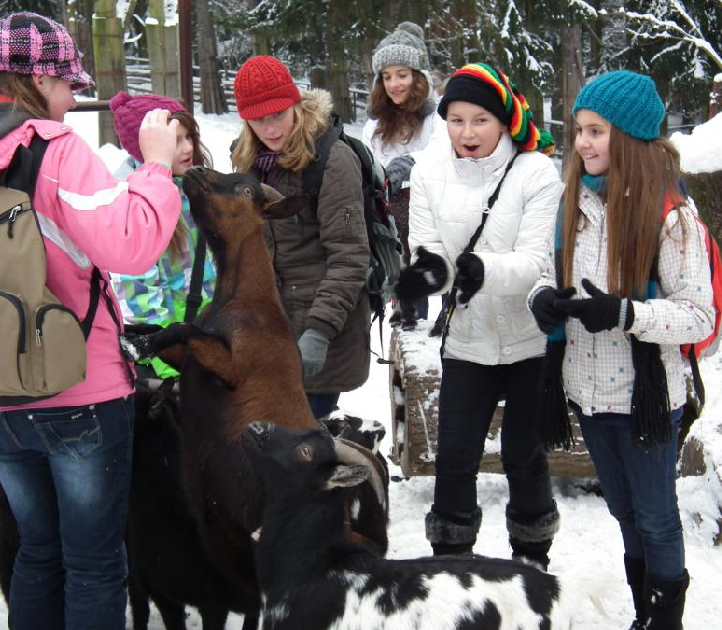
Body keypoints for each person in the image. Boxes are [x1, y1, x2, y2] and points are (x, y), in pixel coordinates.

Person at [0, 12, 181, 630]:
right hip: (78, 390)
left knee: (38, 550)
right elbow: (130, 244)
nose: (73, 98)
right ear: (38, 79)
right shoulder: (55, 149)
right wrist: (156, 167)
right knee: (94, 563)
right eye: (67, 83)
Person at [529, 70, 712, 630]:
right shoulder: (574, 202)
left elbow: (699, 314)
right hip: (586, 392)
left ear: (629, 137)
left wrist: (628, 314)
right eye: (580, 130)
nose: (582, 143)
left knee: (656, 519)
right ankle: (643, 614)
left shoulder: (672, 217)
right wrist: (543, 298)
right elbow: (548, 271)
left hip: (646, 398)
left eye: (596, 131)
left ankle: (665, 622)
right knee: (625, 512)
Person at [396, 62, 562, 569]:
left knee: (523, 455)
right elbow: (427, 247)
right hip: (467, 338)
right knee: (454, 457)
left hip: (530, 340)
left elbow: (535, 260)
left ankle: (531, 561)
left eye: (480, 120)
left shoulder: (536, 172)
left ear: (504, 120)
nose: (467, 132)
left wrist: (479, 269)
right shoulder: (428, 171)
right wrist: (425, 275)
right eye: (456, 120)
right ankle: (451, 563)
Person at [230, 55, 371, 420]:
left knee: (301, 438)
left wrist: (319, 332)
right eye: (257, 120)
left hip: (320, 330)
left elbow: (350, 255)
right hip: (269, 331)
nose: (270, 129)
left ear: (294, 103)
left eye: (278, 114)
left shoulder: (332, 160)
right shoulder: (247, 160)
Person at [108, 91, 217, 382]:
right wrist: (171, 365)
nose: (188, 147)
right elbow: (138, 297)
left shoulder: (196, 186)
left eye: (189, 136)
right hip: (174, 353)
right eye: (176, 141)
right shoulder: (132, 203)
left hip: (208, 335)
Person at [362, 21, 445, 326]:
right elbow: (371, 165)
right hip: (395, 222)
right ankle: (406, 316)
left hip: (435, 216)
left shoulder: (436, 118)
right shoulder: (375, 126)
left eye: (401, 74)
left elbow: (443, 152)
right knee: (407, 296)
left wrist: (409, 163)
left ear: (417, 76)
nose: (394, 84)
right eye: (387, 77)